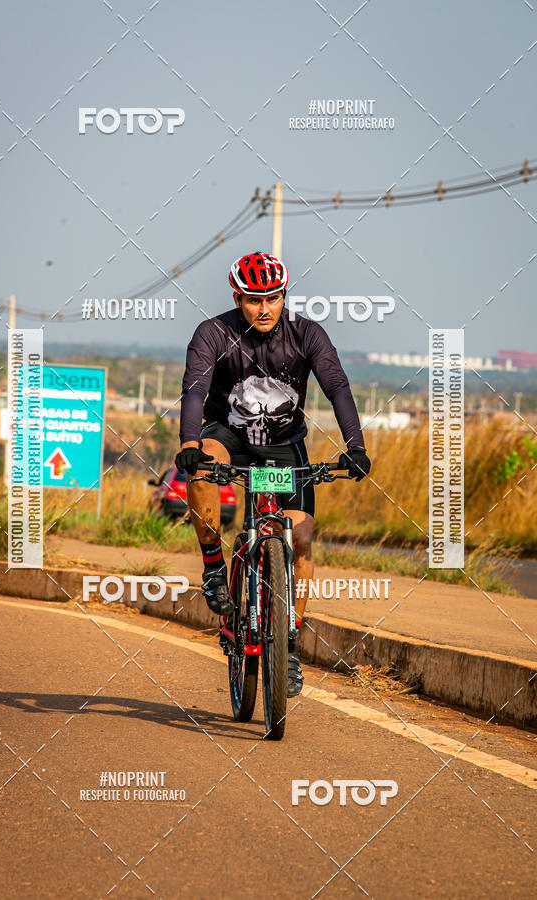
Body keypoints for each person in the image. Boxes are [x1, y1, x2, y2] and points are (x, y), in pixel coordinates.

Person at [175, 251, 370, 696]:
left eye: (273, 297)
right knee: (203, 461)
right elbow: (194, 389)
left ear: (284, 295)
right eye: (252, 299)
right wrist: (189, 444)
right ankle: (212, 568)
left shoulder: (307, 334)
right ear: (236, 298)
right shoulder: (213, 333)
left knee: (300, 542)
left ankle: (290, 645)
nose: (264, 308)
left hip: (285, 447)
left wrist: (355, 446)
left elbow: (337, 386)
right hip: (230, 435)